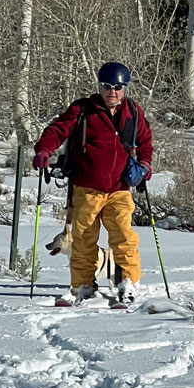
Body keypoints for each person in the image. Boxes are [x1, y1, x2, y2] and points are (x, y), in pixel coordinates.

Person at [33, 62, 153, 304]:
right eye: (107, 86)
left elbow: (145, 141)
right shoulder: (83, 109)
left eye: (118, 87)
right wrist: (44, 149)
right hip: (86, 187)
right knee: (84, 239)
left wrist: (146, 165)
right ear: (100, 86)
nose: (112, 92)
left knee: (123, 236)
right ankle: (83, 286)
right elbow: (57, 130)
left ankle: (127, 283)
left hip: (119, 188)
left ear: (125, 88)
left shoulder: (133, 112)